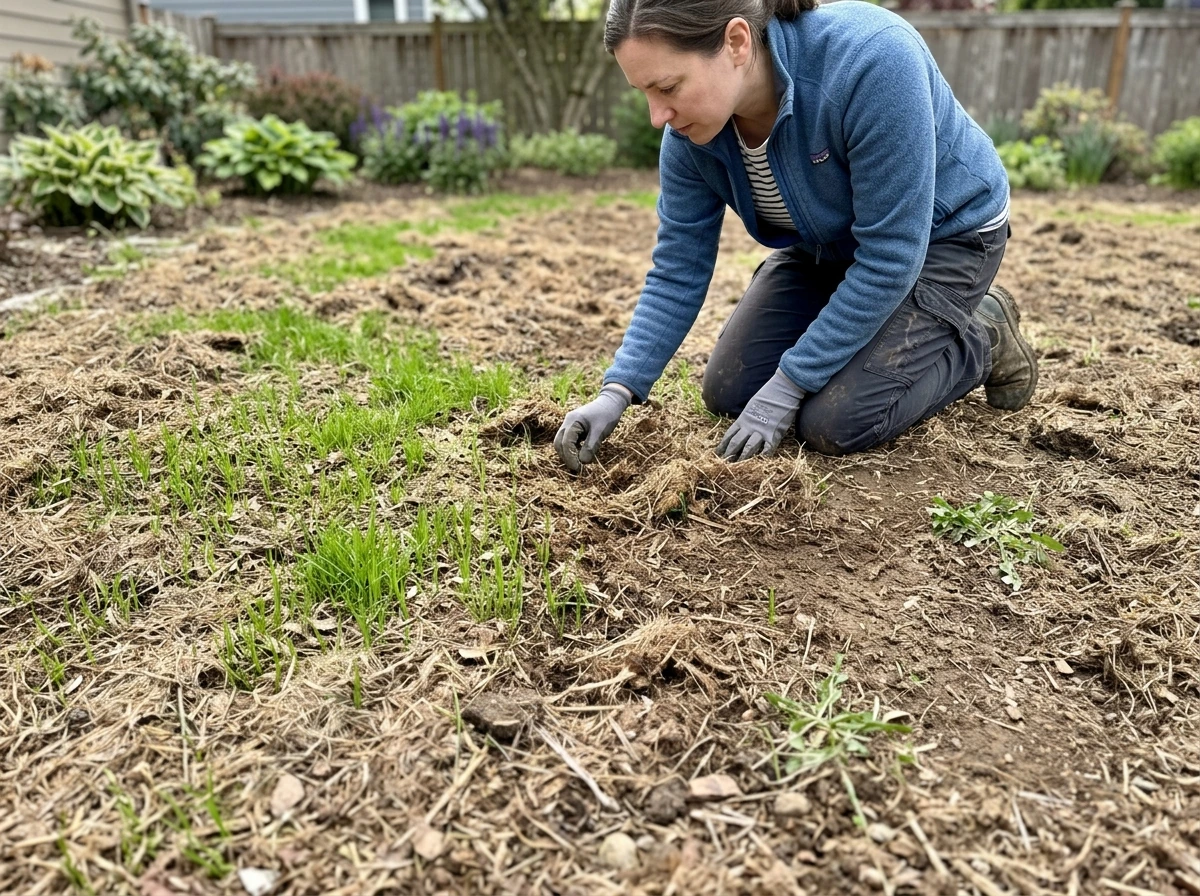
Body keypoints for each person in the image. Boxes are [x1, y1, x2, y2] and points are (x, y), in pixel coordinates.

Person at [554, 0, 1038, 472]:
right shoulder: (688, 138)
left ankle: (983, 333)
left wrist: (790, 384)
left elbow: (891, 256)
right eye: (644, 92)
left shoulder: (873, 60)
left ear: (737, 42)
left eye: (668, 87)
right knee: (729, 391)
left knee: (835, 421)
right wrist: (617, 391)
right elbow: (678, 267)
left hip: (944, 239)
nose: (657, 115)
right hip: (827, 248)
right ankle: (870, 325)